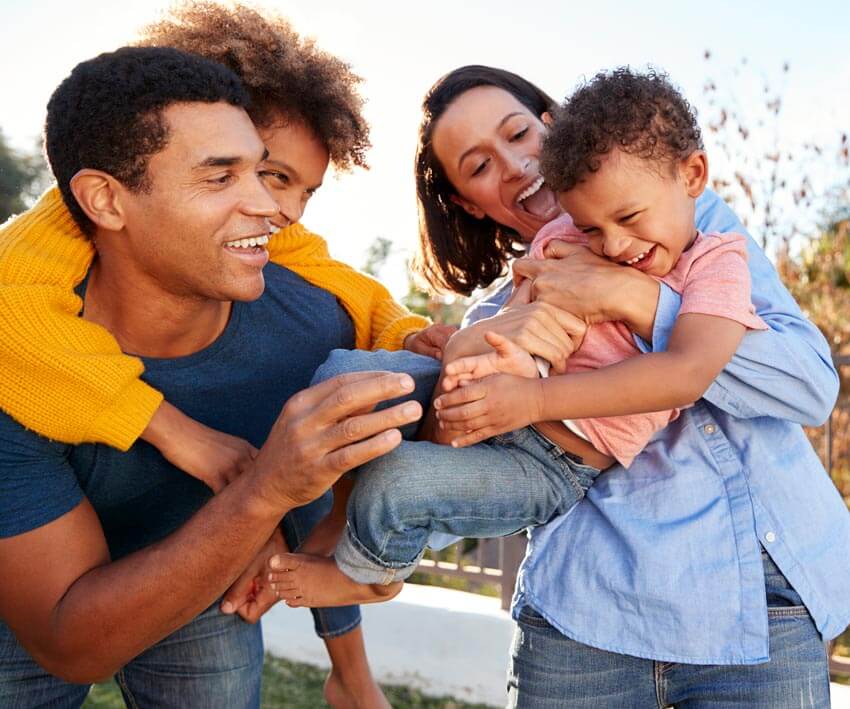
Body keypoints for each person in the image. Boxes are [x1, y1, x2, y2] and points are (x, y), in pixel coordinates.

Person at [0, 5, 453, 707]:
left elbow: (353, 296)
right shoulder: (23, 303)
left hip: (194, 550)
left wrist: (356, 550)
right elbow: (69, 641)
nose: (279, 210)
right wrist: (222, 461)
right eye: (224, 176)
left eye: (269, 178)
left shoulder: (299, 300)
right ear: (104, 200)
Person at [412, 65, 850, 707]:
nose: (512, 164)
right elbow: (467, 481)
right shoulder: (496, 317)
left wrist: (635, 298)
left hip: (756, 608)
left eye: (518, 132)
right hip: (580, 622)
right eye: (477, 166)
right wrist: (457, 370)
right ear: (467, 203)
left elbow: (809, 388)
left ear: (552, 127)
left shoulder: (703, 234)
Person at [259, 68, 769, 601]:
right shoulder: (565, 232)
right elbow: (516, 316)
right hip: (502, 392)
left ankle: (370, 576)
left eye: (627, 217)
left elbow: (686, 374)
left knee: (400, 479)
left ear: (693, 175)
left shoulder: (718, 262)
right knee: (344, 378)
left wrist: (533, 396)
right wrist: (488, 357)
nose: (614, 245)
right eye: (593, 227)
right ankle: (308, 510)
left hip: (550, 462)